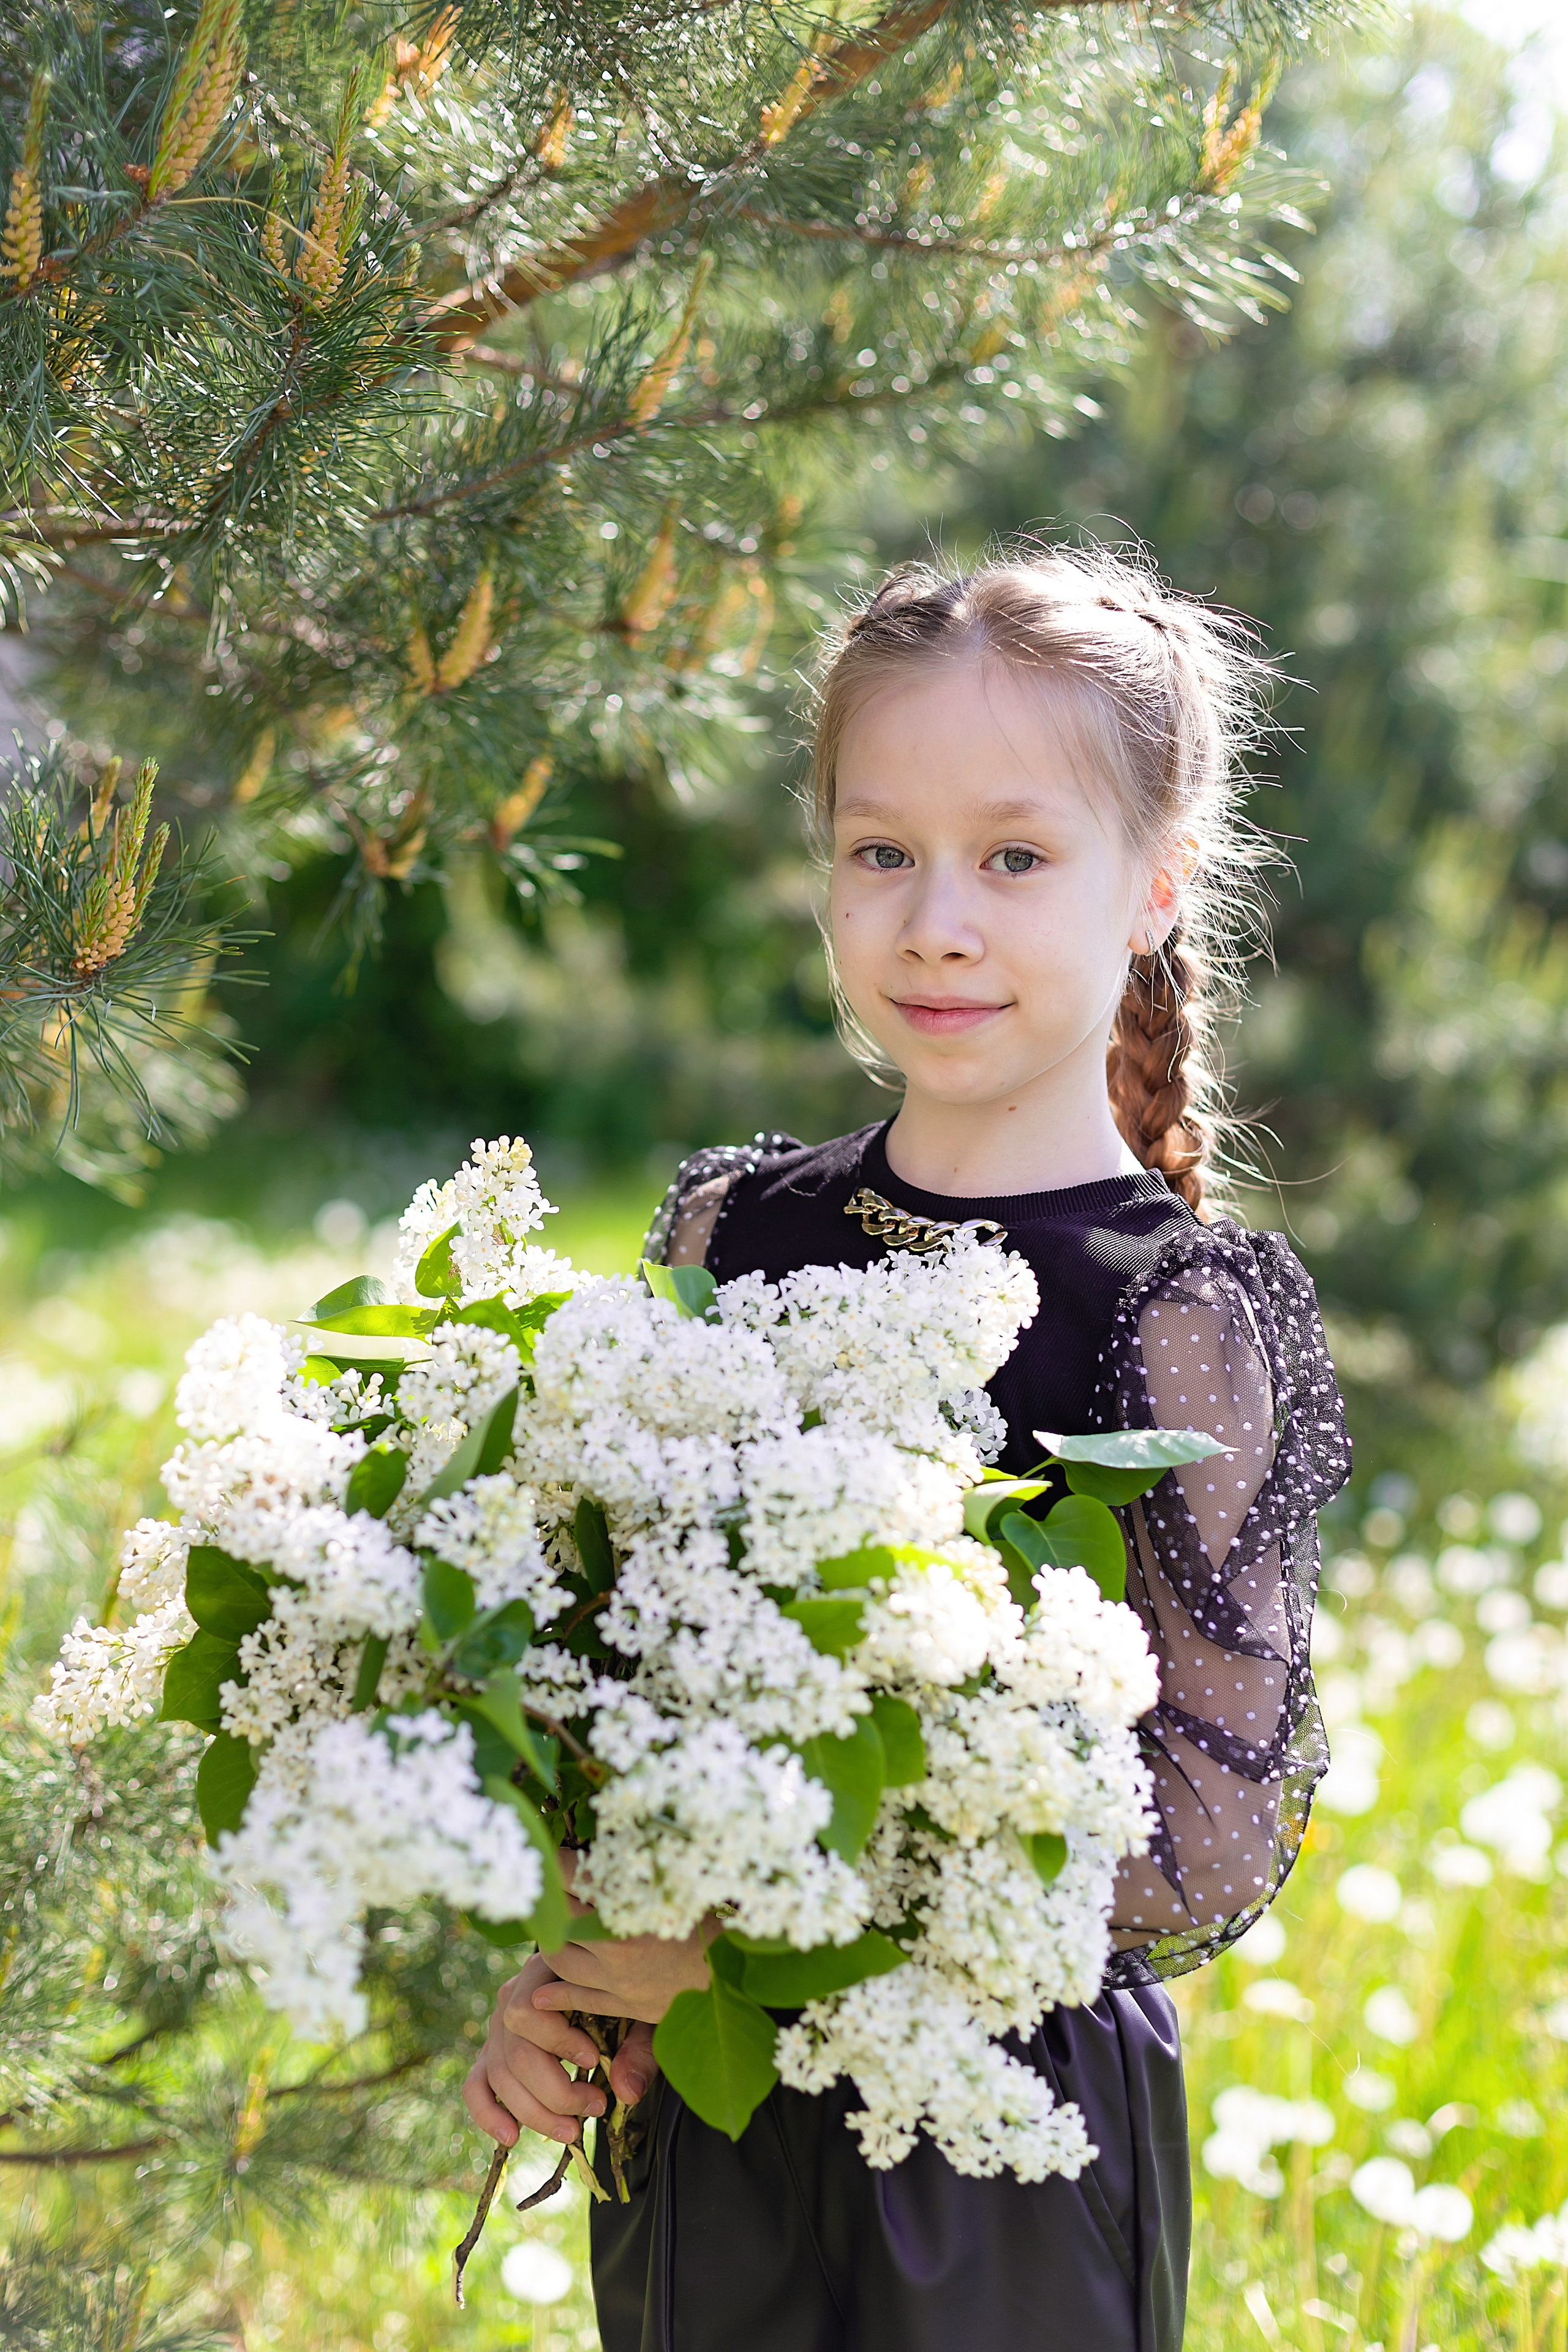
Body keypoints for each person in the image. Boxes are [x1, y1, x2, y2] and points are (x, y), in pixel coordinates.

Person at [462, 546, 1351, 2351]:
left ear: (1155, 887)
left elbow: (1203, 1839)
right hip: (700, 2119)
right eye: (883, 853)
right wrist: (563, 1970)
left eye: (1015, 857)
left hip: (990, 2155)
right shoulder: (732, 1237)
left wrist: (764, 1937)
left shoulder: (1175, 1312)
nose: (937, 919)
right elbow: (599, 1673)